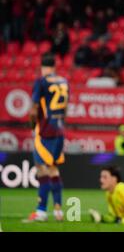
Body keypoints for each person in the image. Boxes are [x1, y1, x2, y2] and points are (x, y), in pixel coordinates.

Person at [26, 52, 69, 222]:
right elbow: (65, 109)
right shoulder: (63, 81)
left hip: (44, 131)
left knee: (41, 168)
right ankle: (58, 210)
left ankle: (41, 211)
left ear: (42, 67)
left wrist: (32, 126)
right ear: (55, 67)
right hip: (59, 131)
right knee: (53, 169)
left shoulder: (41, 82)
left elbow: (34, 109)